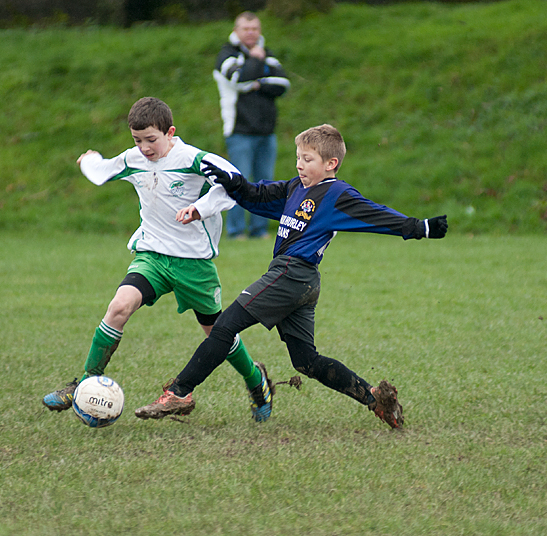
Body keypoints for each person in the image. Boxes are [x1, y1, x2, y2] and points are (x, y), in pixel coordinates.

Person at [134, 124, 448, 428]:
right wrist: (232, 181)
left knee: (224, 325)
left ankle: (178, 392)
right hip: (301, 282)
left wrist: (419, 228)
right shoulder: (294, 188)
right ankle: (374, 399)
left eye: (307, 159)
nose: (299, 165)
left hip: (291, 273)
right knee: (305, 361)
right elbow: (255, 196)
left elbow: (374, 214)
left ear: (331, 164)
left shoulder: (336, 194)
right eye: (297, 157)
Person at [41, 97, 273, 422]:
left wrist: (199, 208)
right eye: (137, 140)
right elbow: (104, 169)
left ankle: (255, 381)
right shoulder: (134, 158)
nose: (145, 148)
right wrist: (89, 160)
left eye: (151, 139)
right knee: (118, 307)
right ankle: (84, 382)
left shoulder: (192, 159)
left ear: (170, 132)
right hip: (152, 255)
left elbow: (234, 183)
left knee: (217, 334)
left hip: (193, 263)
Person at [213, 11, 290, 240]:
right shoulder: (227, 54)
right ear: (237, 31)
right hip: (239, 131)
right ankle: (236, 231)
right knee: (239, 182)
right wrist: (256, 61)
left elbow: (282, 83)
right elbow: (238, 79)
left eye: (255, 28)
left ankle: (259, 230)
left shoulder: (268, 52)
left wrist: (258, 82)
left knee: (266, 184)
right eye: (246, 29)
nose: (251, 33)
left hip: (267, 131)